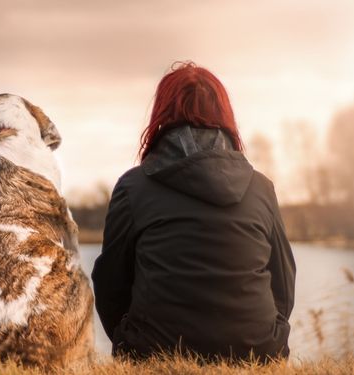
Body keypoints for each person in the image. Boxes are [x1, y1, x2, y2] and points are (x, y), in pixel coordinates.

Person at [91, 61, 296, 363]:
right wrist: (268, 335)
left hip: (154, 353)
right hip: (257, 353)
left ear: (161, 115)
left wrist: (129, 340)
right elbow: (284, 282)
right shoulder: (261, 188)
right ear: (224, 115)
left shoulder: (133, 187)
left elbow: (110, 285)